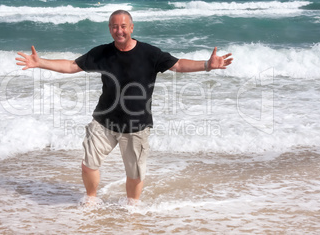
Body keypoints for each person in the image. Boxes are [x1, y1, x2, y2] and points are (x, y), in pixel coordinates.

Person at [16, 10, 233, 204]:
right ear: (109, 29)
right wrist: (40, 62)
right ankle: (91, 199)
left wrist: (207, 65)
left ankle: (132, 207)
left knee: (135, 173)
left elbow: (178, 65)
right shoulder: (101, 53)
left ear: (131, 28)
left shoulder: (150, 53)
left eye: (123, 26)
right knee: (88, 164)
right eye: (114, 26)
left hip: (136, 124)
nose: (119, 30)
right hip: (104, 121)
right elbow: (73, 66)